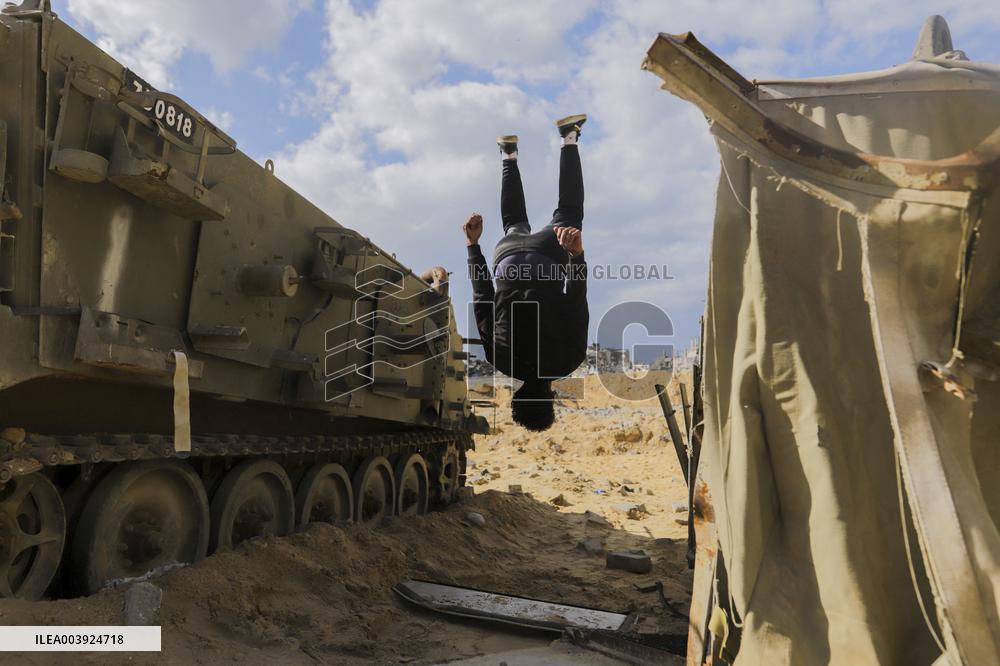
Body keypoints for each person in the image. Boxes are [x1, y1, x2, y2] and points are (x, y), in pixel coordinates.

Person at [464, 114, 589, 432]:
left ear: (550, 398)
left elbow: (576, 301)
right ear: (517, 395)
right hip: (505, 260)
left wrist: (576, 257)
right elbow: (482, 300)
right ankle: (508, 154)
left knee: (569, 213)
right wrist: (472, 245)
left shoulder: (567, 361)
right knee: (514, 224)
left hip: (544, 264)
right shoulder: (500, 362)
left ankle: (569, 137)